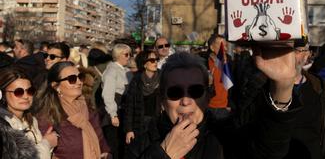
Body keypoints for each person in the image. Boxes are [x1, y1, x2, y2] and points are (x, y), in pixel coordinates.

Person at [135, 50, 301, 159]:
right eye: (175, 93)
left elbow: (269, 150)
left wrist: (283, 88)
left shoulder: (227, 135)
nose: (185, 101)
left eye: (195, 91)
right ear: (163, 100)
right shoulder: (142, 142)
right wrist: (163, 154)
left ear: (207, 97)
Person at [33, 61, 110, 159]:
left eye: (80, 77)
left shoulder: (89, 107)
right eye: (72, 79)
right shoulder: (47, 115)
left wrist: (107, 153)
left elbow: (101, 141)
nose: (79, 82)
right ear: (56, 86)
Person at [284, 41, 325, 159]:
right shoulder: (266, 87)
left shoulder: (322, 88)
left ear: (307, 54)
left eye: (297, 50)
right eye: (286, 50)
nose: (289, 55)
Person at [0, 66, 58, 159]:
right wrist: (47, 143)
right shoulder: (3, 127)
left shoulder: (31, 120)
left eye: (30, 91)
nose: (26, 96)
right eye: (18, 92)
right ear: (3, 95)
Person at [123, 50, 161, 158]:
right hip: (140, 124)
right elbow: (129, 107)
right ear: (144, 63)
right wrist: (129, 129)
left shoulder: (162, 78)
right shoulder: (136, 80)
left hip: (157, 124)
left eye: (156, 60)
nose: (155, 62)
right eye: (152, 60)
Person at [101, 43, 132, 159]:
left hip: (123, 110)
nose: (129, 57)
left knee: (121, 145)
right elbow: (108, 94)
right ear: (118, 55)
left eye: (130, 54)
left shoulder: (124, 70)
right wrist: (113, 114)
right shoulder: (112, 70)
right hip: (114, 111)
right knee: (114, 146)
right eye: (126, 54)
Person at [205, 34, 232, 120]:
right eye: (221, 46)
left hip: (224, 109)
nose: (225, 49)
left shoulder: (230, 62)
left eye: (226, 46)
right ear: (212, 48)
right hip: (207, 107)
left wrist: (231, 105)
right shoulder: (203, 63)